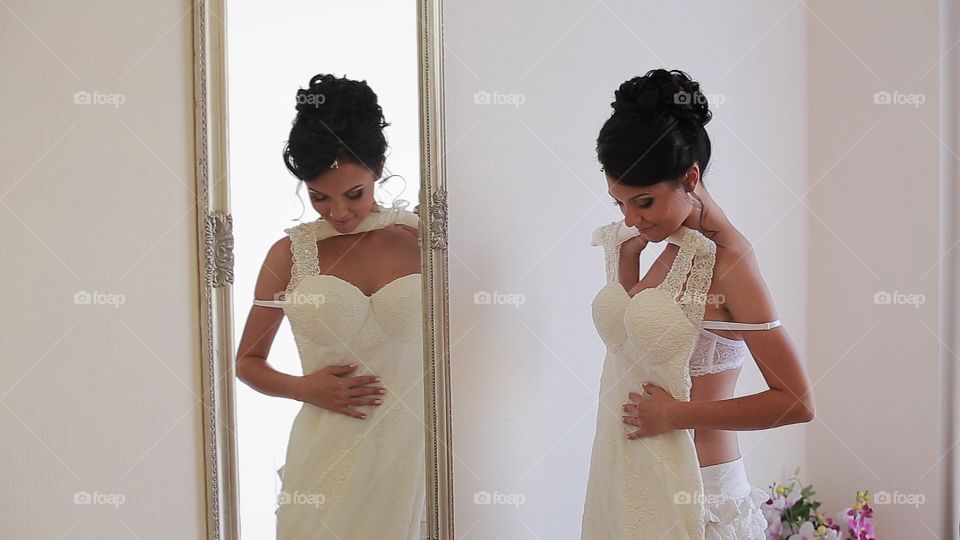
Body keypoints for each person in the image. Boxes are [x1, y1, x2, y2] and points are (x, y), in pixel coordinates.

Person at [581, 69, 816, 539]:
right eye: (619, 204)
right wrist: (627, 272)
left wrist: (676, 416)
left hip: (703, 493)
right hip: (635, 483)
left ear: (690, 177)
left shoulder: (730, 263)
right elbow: (641, 358)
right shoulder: (672, 246)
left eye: (643, 202)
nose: (631, 219)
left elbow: (796, 402)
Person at [235, 73, 426, 539]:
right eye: (319, 197)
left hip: (416, 453)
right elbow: (247, 362)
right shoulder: (290, 254)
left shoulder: (423, 242)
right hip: (327, 455)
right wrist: (305, 388)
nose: (338, 212)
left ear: (378, 168)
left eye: (353, 194)